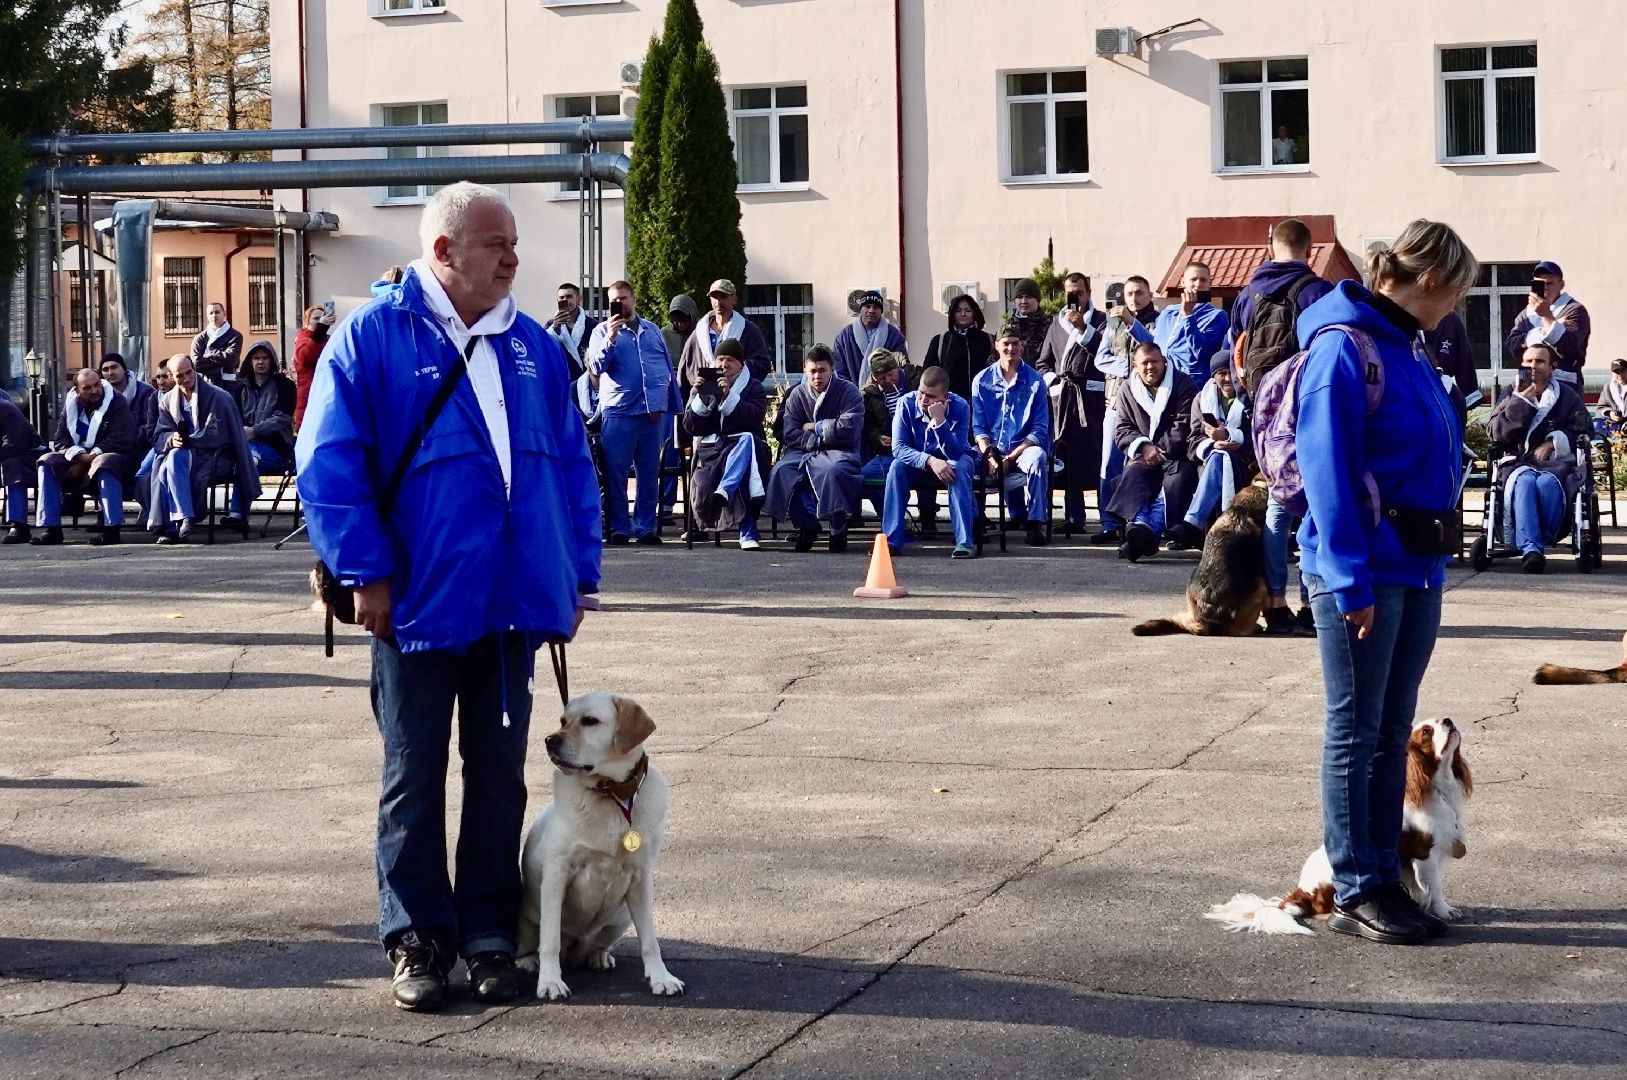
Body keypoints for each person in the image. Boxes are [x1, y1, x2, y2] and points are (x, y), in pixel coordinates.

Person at [298, 181, 601, 1012]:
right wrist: (365, 572)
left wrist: (576, 571)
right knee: (414, 775)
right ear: (443, 251)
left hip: (511, 604)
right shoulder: (371, 339)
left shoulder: (535, 347)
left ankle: (489, 935)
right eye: (496, 242)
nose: (513, 256)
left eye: (513, 243)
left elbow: (572, 467)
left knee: (500, 774)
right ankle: (417, 939)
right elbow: (329, 465)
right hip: (417, 602)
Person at [1296, 218, 1477, 945]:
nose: (1459, 307)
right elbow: (1326, 470)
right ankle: (1358, 882)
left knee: (1387, 732)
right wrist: (1347, 576)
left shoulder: (1407, 346)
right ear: (1432, 281)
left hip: (1415, 564)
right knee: (1356, 732)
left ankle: (1383, 871)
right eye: (1461, 292)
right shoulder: (1345, 348)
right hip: (1363, 567)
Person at [1228, 218, 1334, 635]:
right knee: (1316, 506)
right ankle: (1314, 602)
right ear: (1310, 250)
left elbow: (1235, 353)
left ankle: (1275, 601)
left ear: (1270, 247)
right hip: (1306, 412)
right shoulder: (1316, 293)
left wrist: (1250, 403)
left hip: (1263, 416)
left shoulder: (1246, 295)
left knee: (1276, 507)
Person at [1487, 342, 1592, 573]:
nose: (1533, 366)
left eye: (1540, 361)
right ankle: (1532, 549)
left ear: (1552, 367)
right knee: (1524, 482)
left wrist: (1553, 442)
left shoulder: (1566, 396)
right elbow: (1496, 432)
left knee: (1545, 483)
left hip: (1554, 464)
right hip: (1517, 461)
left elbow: (1584, 430)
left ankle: (1541, 536)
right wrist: (1520, 402)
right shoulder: (1510, 393)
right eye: (1528, 361)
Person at [586, 280, 676, 546]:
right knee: (616, 474)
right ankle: (619, 528)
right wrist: (610, 340)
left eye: (624, 298)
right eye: (614, 299)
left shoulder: (652, 330)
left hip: (650, 414)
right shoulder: (601, 331)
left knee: (649, 474)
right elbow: (596, 367)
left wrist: (663, 401)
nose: (620, 304)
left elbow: (665, 366)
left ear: (633, 299)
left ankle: (646, 527)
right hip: (619, 412)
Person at [147, 354, 259, 544]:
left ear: (195, 370)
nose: (186, 378)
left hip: (217, 458)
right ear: (172, 377)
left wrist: (187, 440)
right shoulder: (166, 400)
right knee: (170, 460)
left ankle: (174, 524)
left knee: (168, 466)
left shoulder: (219, 397)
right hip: (184, 456)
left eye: (189, 372)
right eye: (180, 375)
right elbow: (160, 433)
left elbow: (219, 434)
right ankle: (184, 519)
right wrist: (171, 439)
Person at [765, 345, 863, 552]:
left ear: (832, 368)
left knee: (833, 472)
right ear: (805, 370)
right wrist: (818, 438)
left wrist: (815, 427)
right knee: (780, 473)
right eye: (812, 371)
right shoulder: (796, 395)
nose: (817, 376)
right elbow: (789, 432)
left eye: (822, 370)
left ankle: (837, 527)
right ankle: (807, 524)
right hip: (803, 451)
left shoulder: (849, 391)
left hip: (840, 451)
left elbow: (849, 428)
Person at [1108, 342, 1198, 562]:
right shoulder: (1127, 389)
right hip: (1142, 456)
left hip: (1178, 456)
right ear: (1135, 365)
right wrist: (1144, 447)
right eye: (1144, 363)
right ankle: (1140, 526)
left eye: (1154, 361)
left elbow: (1184, 424)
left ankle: (1148, 531)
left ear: (1164, 361)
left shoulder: (1183, 383)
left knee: (1174, 482)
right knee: (1133, 474)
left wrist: (1159, 451)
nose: (1150, 367)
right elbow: (1123, 429)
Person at [32, 368, 140, 546]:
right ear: (77, 390)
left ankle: (111, 530)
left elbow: (121, 437)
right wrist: (80, 458)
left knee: (104, 462)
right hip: (79, 458)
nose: (95, 391)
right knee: (47, 462)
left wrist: (92, 456)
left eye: (96, 385)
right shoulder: (71, 405)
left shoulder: (116, 401)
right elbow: (60, 440)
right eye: (87, 388)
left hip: (116, 458)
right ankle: (51, 529)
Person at [1036, 272, 1109, 531]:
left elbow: (1103, 352)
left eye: (1079, 291)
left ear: (1088, 293)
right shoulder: (1056, 325)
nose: (1074, 296)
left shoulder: (1101, 322)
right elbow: (1043, 362)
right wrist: (1052, 382)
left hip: (1091, 400)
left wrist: (1082, 328)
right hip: (1062, 401)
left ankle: (1106, 520)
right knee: (1066, 457)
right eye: (1070, 292)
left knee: (1097, 458)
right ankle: (1073, 518)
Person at [681, 338, 769, 550]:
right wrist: (701, 399)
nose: (724, 365)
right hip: (713, 451)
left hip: (748, 447)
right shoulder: (704, 385)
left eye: (730, 360)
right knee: (743, 455)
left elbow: (753, 419)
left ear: (741, 363)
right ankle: (748, 531)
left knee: (747, 442)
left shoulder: (753, 387)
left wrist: (730, 397)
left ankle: (729, 496)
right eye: (720, 359)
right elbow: (691, 427)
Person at [885, 365, 979, 559]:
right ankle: (891, 540)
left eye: (931, 396)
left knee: (961, 467)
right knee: (896, 467)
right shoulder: (905, 404)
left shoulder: (961, 407)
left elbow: (958, 450)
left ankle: (964, 541)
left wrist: (940, 423)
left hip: (952, 461)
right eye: (921, 393)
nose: (923, 400)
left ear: (945, 397)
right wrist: (930, 461)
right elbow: (899, 448)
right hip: (920, 462)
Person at [1092, 275, 1159, 544]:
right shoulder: (1112, 323)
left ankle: (1138, 520)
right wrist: (1129, 369)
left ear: (1149, 295)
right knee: (1109, 464)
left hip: (1147, 405)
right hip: (1115, 400)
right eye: (1129, 294)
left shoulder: (1158, 320)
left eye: (1139, 293)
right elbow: (1101, 358)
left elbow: (1156, 348)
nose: (1133, 298)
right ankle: (1109, 523)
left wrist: (1133, 323)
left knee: (1139, 463)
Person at [973, 326, 1051, 547]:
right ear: (996, 346)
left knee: (1037, 458)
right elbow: (978, 427)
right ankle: (975, 521)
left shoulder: (1035, 381)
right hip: (990, 449)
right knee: (964, 462)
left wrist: (1011, 458)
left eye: (1015, 343)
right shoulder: (981, 381)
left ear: (1022, 345)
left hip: (1022, 448)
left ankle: (1034, 523)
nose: (1010, 348)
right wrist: (991, 458)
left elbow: (1039, 429)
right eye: (1005, 343)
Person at [1167, 350, 1251, 550]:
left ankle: (1192, 522)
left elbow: (1257, 437)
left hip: (1243, 459)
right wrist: (1213, 444)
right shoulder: (1201, 399)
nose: (1227, 378)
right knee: (1218, 457)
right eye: (1221, 373)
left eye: (1230, 371)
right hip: (1208, 460)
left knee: (1221, 458)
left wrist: (1231, 436)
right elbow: (1193, 440)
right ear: (1213, 377)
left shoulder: (1249, 398)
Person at [226, 341, 297, 527]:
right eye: (256, 358)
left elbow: (282, 418)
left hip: (277, 448)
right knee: (249, 457)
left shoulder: (285, 386)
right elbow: (233, 417)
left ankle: (237, 514)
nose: (260, 362)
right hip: (245, 444)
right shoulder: (238, 388)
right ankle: (238, 515)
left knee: (247, 458)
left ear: (272, 360)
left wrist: (255, 431)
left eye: (264, 358)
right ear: (249, 361)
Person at [860, 349, 931, 531]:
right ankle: (894, 520)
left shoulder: (919, 379)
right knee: (866, 475)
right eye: (882, 378)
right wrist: (878, 437)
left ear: (898, 369)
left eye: (891, 375)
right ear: (875, 378)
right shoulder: (869, 394)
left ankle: (928, 520)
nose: (888, 381)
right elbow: (869, 427)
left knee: (928, 474)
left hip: (924, 447)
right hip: (891, 452)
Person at [1504, 261, 1589, 390]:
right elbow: (1513, 346)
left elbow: (1569, 348)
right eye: (1539, 283)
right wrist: (1549, 328)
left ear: (1561, 285)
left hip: (1564, 383)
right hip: (1528, 381)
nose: (1544, 287)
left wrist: (1547, 316)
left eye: (1549, 283)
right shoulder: (1525, 315)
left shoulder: (1575, 310)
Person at [678, 279, 771, 387]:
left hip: (739, 396)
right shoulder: (699, 333)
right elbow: (685, 369)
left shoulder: (749, 330)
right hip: (702, 397)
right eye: (715, 297)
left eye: (723, 297)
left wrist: (735, 371)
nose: (718, 302)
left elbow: (762, 364)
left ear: (734, 299)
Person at [1154, 261, 1229, 385]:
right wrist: (1132, 323)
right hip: (1163, 381)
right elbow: (1155, 345)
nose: (1198, 284)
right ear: (1183, 282)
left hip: (1191, 384)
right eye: (1193, 279)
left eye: (1203, 280)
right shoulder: (1168, 313)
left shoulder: (1217, 316)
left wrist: (1188, 316)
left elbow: (1203, 353)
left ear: (1210, 284)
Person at [922, 293, 994, 404]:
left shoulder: (988, 340)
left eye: (968, 310)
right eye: (958, 310)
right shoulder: (940, 341)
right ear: (952, 314)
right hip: (950, 405)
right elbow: (929, 375)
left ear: (975, 313)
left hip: (983, 404)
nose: (963, 314)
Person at [832, 290, 907, 385]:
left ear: (881, 311)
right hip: (851, 394)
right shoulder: (845, 337)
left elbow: (900, 368)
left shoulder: (894, 336)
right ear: (860, 310)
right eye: (867, 306)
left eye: (875, 307)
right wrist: (849, 392)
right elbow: (839, 369)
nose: (871, 310)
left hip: (884, 394)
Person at [1, 394, 45, 544]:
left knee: (14, 465)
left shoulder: (6, 410)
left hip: (31, 454)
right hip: (9, 455)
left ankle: (19, 525)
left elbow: (14, 445)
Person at [99, 352, 159, 451]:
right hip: (111, 448)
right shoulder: (100, 395)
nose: (110, 373)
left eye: (114, 367)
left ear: (124, 369)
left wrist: (124, 438)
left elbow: (151, 425)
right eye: (105, 369)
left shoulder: (146, 391)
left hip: (142, 448)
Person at [1424, 309, 1482, 411]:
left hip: (1441, 392)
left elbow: (1464, 357)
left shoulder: (1449, 317)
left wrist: (1469, 391)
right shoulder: (1397, 314)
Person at [292, 304, 336, 430]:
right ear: (307, 322)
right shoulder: (303, 337)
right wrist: (321, 329)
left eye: (322, 318)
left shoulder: (327, 339)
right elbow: (305, 356)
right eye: (316, 319)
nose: (320, 321)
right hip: (308, 395)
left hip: (324, 394)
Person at [548, 283, 598, 380]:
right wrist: (555, 330)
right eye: (561, 298)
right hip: (560, 379)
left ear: (579, 299)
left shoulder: (592, 326)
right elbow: (544, 351)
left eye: (569, 297)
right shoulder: (550, 326)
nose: (565, 301)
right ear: (557, 300)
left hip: (585, 380)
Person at [189, 301, 243, 385]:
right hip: (205, 383)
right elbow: (196, 363)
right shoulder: (199, 338)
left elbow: (232, 361)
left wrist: (209, 353)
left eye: (217, 312)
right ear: (207, 316)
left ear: (224, 314)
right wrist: (220, 367)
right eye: (211, 313)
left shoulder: (235, 336)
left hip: (228, 384)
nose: (214, 316)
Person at [1005, 278, 1049, 365]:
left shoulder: (1050, 327)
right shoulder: (1007, 328)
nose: (1024, 301)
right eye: (1019, 297)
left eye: (1028, 297)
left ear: (1038, 300)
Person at [661, 294, 698, 371]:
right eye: (676, 321)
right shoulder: (664, 334)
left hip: (696, 376)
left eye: (684, 321)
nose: (680, 324)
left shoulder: (701, 331)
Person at [1596, 358, 1627, 436]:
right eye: (1616, 372)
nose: (1619, 375)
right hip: (1613, 428)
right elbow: (1600, 408)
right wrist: (1610, 413)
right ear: (1612, 373)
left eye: (1622, 371)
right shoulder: (1608, 387)